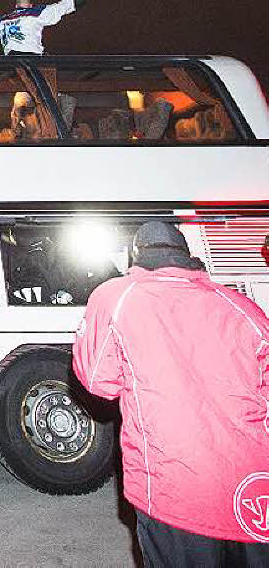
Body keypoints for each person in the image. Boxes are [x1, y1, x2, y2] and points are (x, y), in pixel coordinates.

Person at [72, 221, 269, 567]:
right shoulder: (242, 306)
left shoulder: (116, 296)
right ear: (186, 256)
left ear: (136, 257)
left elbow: (98, 381)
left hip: (175, 491)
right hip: (253, 491)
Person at [0, 0, 98, 56]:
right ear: (30, 5)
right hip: (32, 57)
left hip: (12, 59)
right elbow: (60, 7)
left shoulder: (3, 20)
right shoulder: (36, 12)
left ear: (16, 6)